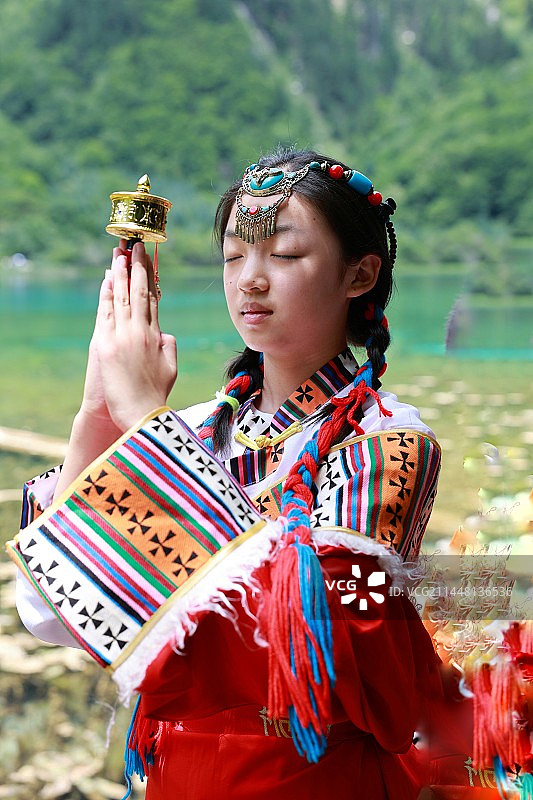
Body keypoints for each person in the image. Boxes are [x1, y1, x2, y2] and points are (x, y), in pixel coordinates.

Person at [11, 148, 446, 799]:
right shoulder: (186, 432)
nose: (250, 280)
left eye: (284, 255)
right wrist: (98, 411)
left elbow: (321, 644)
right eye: (234, 256)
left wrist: (144, 422)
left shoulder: (387, 443)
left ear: (358, 274)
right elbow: (51, 610)